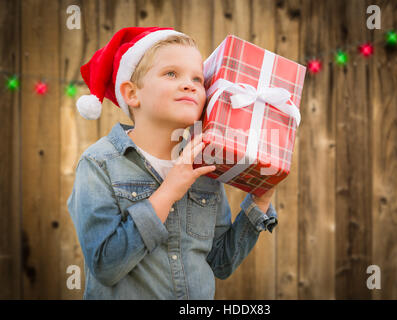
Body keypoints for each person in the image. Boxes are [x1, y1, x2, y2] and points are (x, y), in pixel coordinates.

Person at [67, 27, 277, 299]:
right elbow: (105, 266)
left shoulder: (205, 165)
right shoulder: (100, 163)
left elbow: (220, 263)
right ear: (132, 94)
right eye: (171, 74)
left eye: (198, 79)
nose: (190, 84)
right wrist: (169, 192)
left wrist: (259, 201)